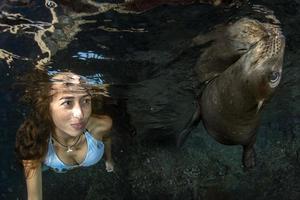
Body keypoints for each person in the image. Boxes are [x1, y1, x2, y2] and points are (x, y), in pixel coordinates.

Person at [15, 71, 114, 200]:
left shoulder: (103, 125)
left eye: (86, 100)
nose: (80, 114)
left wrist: (109, 159)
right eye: (67, 102)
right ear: (47, 108)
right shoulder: (34, 141)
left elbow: (106, 138)